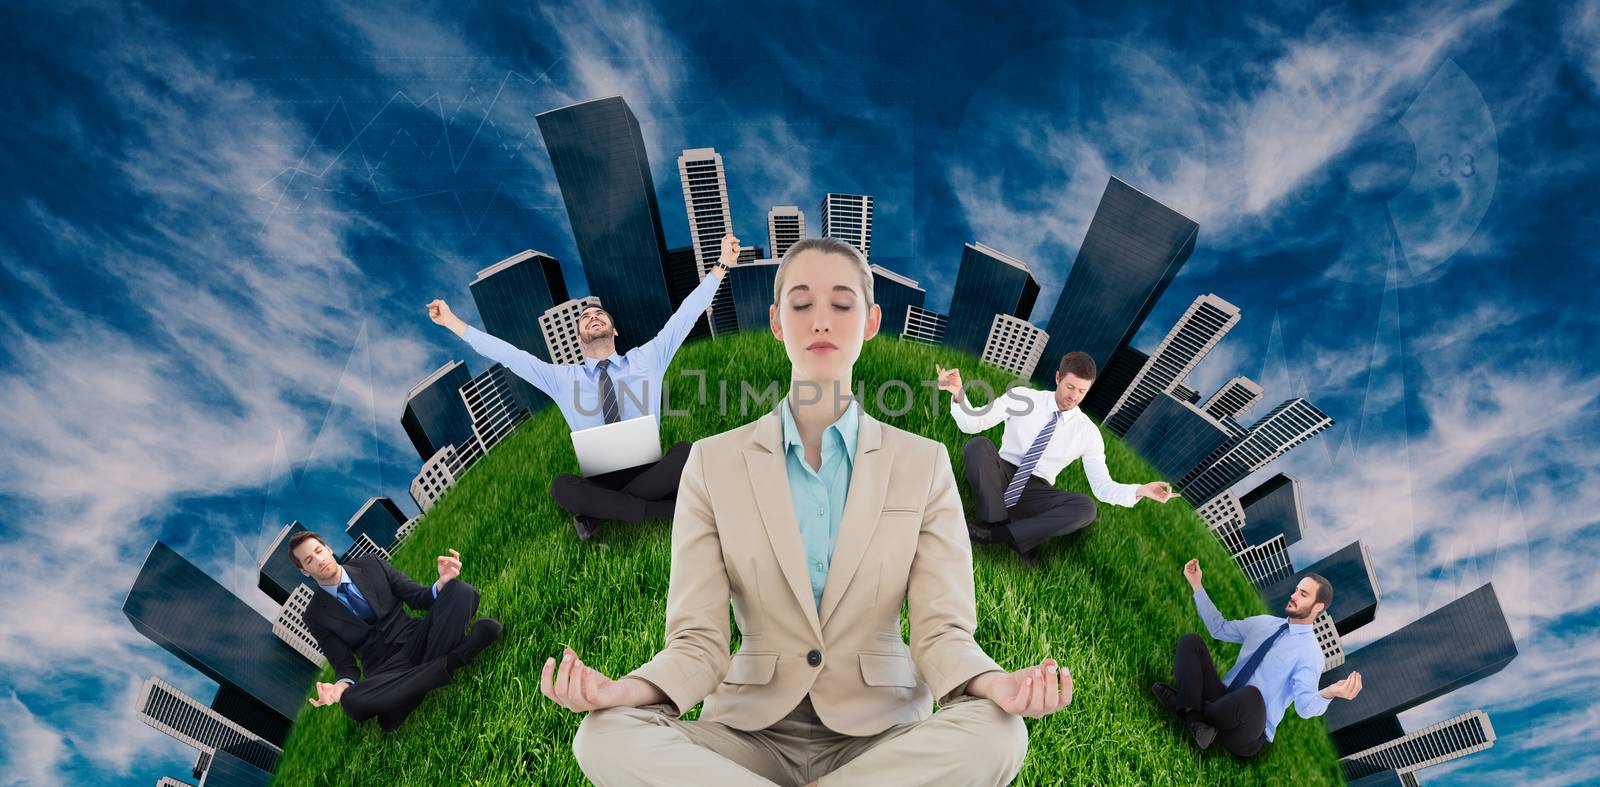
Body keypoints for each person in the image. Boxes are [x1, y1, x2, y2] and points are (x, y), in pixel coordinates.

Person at [537, 237, 1072, 786]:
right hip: (747, 735)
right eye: (801, 304)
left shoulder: (925, 463)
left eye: (842, 305)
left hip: (882, 738)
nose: (821, 322)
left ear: (870, 322)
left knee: (999, 733)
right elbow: (696, 643)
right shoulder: (711, 463)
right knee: (603, 735)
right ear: (776, 322)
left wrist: (994, 685)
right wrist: (620, 692)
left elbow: (941, 634)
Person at [427, 233, 745, 541]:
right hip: (601, 479)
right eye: (586, 317)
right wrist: (453, 322)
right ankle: (664, 510)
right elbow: (510, 356)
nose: (592, 316)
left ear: (614, 330)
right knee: (561, 486)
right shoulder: (563, 379)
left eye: (599, 314)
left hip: (649, 467)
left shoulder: (648, 358)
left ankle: (596, 517)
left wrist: (722, 265)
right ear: (580, 337)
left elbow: (685, 316)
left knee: (686, 452)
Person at [935, 354, 1181, 565]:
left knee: (1086, 508)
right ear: (1057, 378)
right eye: (1070, 387)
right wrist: (958, 393)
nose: (1074, 396)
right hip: (1001, 474)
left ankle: (993, 534)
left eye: (1082, 391)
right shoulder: (1023, 397)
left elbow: (1102, 488)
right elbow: (973, 424)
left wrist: (1141, 490)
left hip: (1037, 490)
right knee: (978, 446)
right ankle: (1000, 524)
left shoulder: (1088, 433)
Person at [291, 531, 503, 732]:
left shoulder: (371, 564)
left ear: (327, 548)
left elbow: (418, 597)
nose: (318, 560)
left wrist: (442, 583)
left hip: (418, 638)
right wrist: (339, 688)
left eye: (318, 551)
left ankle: (402, 700)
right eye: (309, 560)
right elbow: (344, 664)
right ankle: (459, 655)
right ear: (304, 571)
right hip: (384, 668)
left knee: (460, 591)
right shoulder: (314, 615)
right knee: (351, 703)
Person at [1151, 558, 1364, 757]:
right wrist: (1197, 586)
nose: (1294, 595)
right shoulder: (1265, 623)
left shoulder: (1311, 653)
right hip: (1223, 699)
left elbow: (1304, 706)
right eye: (1297, 590)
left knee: (1253, 696)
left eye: (1303, 594)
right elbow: (1219, 628)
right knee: (1191, 642)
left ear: (1318, 607)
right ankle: (1195, 720)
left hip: (1248, 730)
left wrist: (1329, 692)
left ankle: (1186, 704)